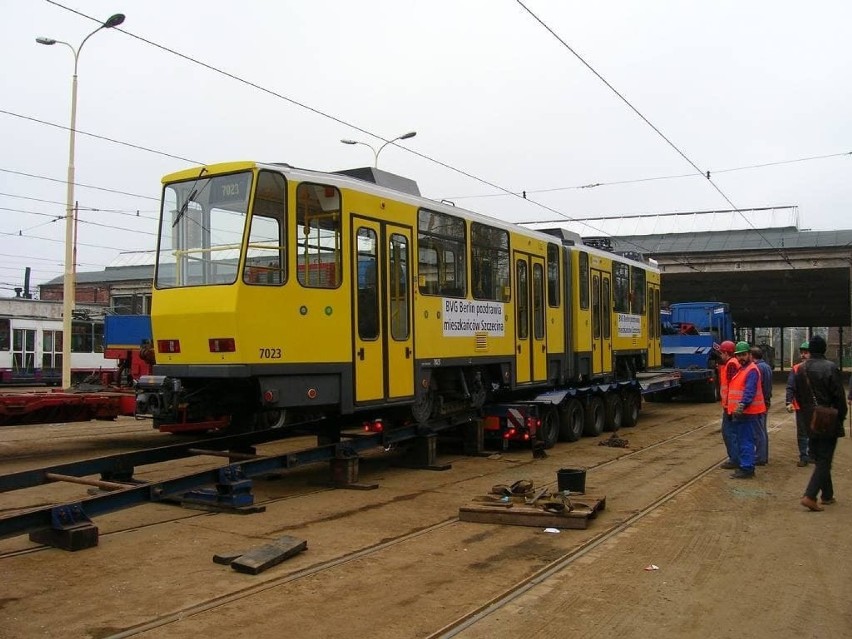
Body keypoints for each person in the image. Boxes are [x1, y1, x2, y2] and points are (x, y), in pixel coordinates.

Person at [791, 335, 846, 511]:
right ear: (823, 349)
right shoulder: (830, 367)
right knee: (825, 459)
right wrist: (840, 417)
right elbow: (839, 397)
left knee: (820, 456)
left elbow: (798, 395)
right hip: (828, 418)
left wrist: (807, 415)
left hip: (810, 419)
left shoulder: (801, 369)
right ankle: (810, 495)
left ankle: (827, 495)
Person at [727, 341, 764, 478]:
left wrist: (743, 404)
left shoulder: (751, 370)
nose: (741, 358)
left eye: (743, 355)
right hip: (741, 412)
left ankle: (747, 468)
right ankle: (746, 466)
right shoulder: (743, 369)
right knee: (744, 440)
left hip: (746, 413)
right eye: (739, 355)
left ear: (749, 354)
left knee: (746, 441)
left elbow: (749, 390)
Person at [785, 341, 811, 466]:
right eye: (802, 353)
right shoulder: (796, 369)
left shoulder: (819, 367)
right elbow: (790, 386)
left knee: (815, 430)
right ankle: (804, 456)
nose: (803, 355)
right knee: (802, 432)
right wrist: (788, 401)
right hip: (801, 406)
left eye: (806, 352)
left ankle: (812, 454)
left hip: (815, 406)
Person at [718, 340, 741, 469]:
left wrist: (728, 406)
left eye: (721, 352)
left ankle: (735, 459)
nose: (720, 355)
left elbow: (732, 386)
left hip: (731, 406)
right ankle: (736, 458)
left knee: (729, 433)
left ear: (726, 352)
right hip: (731, 405)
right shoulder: (732, 363)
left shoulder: (731, 364)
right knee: (733, 432)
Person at [751, 346, 773, 465]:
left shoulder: (757, 368)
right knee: (762, 430)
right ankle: (763, 455)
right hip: (766, 400)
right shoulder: (767, 366)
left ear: (752, 356)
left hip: (760, 402)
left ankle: (760, 457)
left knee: (758, 431)